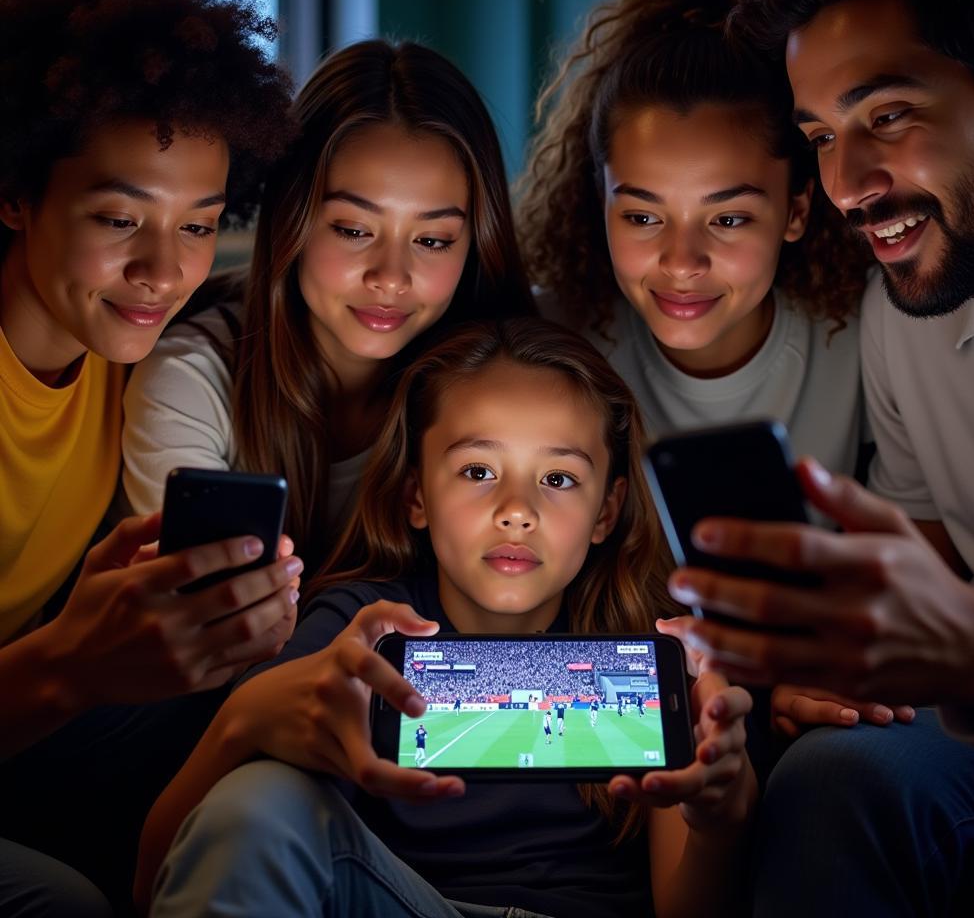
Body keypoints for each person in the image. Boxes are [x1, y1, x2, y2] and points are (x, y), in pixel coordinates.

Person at [135, 318, 757, 918]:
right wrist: (242, 722)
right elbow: (158, 881)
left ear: (606, 511)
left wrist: (719, 813)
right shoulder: (361, 629)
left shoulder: (658, 650)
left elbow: (690, 907)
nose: (517, 510)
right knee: (260, 795)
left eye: (559, 477)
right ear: (417, 495)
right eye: (478, 471)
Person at [667, 0, 974, 913]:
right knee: (832, 778)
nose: (845, 184)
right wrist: (834, 669)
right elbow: (927, 570)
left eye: (889, 116)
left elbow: (964, 626)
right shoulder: (904, 313)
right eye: (820, 135)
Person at [518, 0, 905, 747]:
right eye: (643, 215)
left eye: (727, 218)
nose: (681, 262)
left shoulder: (871, 336)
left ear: (798, 211)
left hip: (811, 704)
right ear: (600, 206)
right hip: (611, 709)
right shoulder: (548, 350)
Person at [0, 0, 298, 916]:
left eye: (199, 224)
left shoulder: (132, 359)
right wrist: (69, 662)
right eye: (119, 218)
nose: (164, 271)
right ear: (16, 191)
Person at [121, 38, 535, 577]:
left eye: (433, 240)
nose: (390, 277)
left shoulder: (521, 387)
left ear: (475, 244)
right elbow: (208, 625)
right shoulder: (190, 380)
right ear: (292, 219)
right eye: (353, 229)